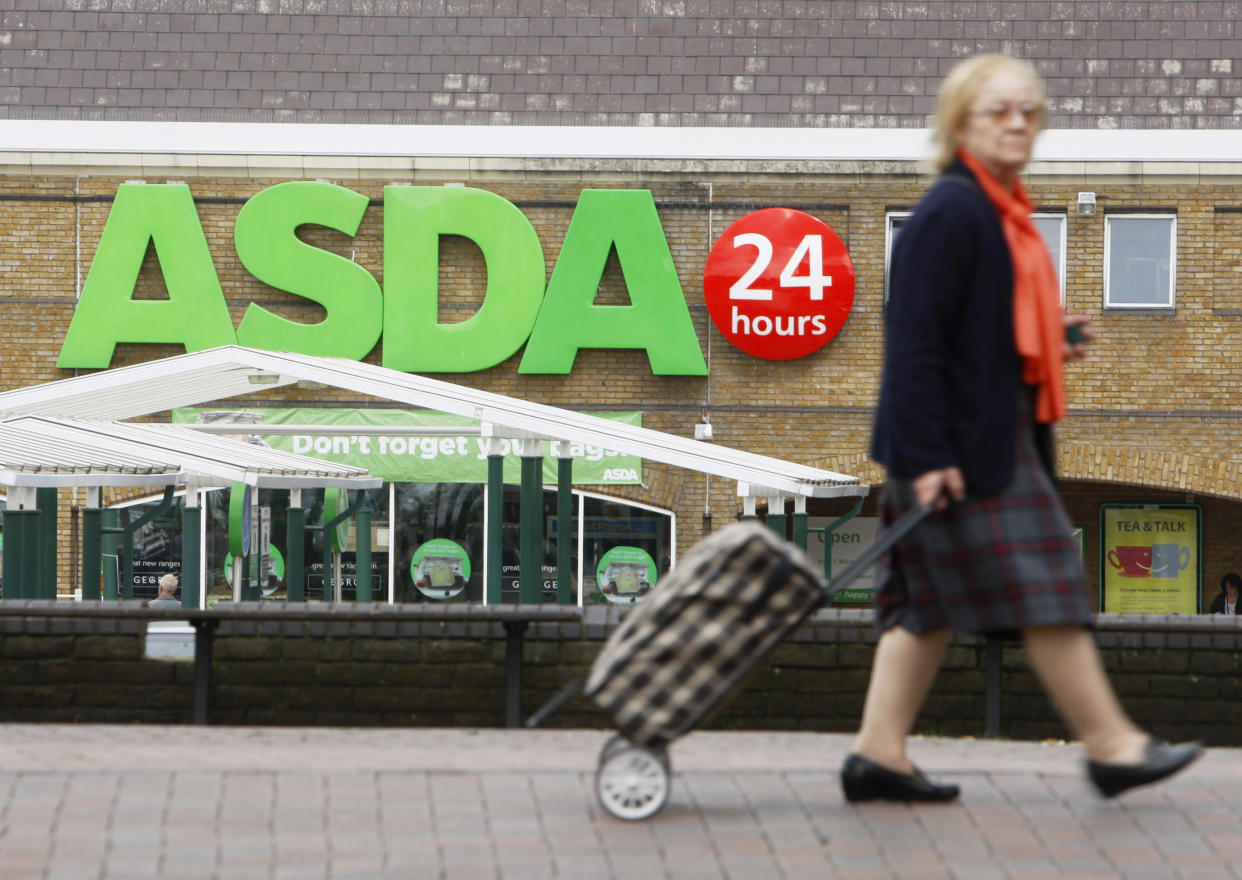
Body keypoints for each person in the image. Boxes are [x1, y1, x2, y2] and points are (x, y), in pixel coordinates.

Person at [843, 53, 1202, 803]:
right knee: (1050, 584)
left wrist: (1047, 335)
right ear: (959, 124)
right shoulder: (954, 212)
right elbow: (913, 342)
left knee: (921, 604)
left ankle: (878, 754)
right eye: (997, 111)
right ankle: (1111, 746)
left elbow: (974, 330)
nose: (1017, 124)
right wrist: (930, 456)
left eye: (1028, 112)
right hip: (965, 448)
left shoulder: (997, 209)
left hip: (970, 436)